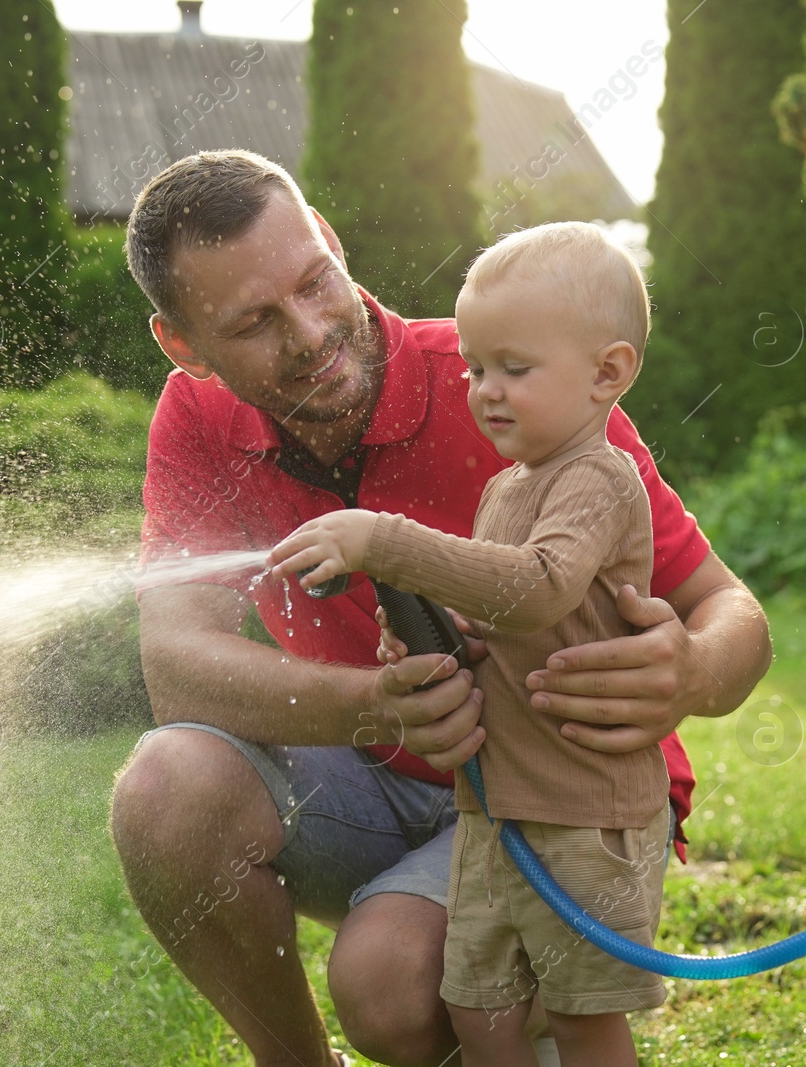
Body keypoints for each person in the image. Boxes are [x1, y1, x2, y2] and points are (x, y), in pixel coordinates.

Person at [108, 149, 772, 1067]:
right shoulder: (195, 422)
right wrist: (372, 707)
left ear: (334, 245)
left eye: (314, 281)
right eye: (255, 320)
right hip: (380, 776)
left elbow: (731, 609)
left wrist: (693, 669)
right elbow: (173, 664)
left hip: (562, 796)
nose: (306, 332)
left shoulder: (512, 384)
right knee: (165, 789)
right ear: (184, 346)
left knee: (391, 991)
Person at [268, 222, 676, 1066]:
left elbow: (538, 588)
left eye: (513, 369)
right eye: (475, 369)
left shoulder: (600, 479)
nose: (485, 390)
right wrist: (424, 637)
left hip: (583, 813)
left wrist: (387, 540)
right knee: (475, 1004)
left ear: (608, 373)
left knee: (580, 1014)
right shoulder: (504, 490)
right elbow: (498, 625)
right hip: (493, 812)